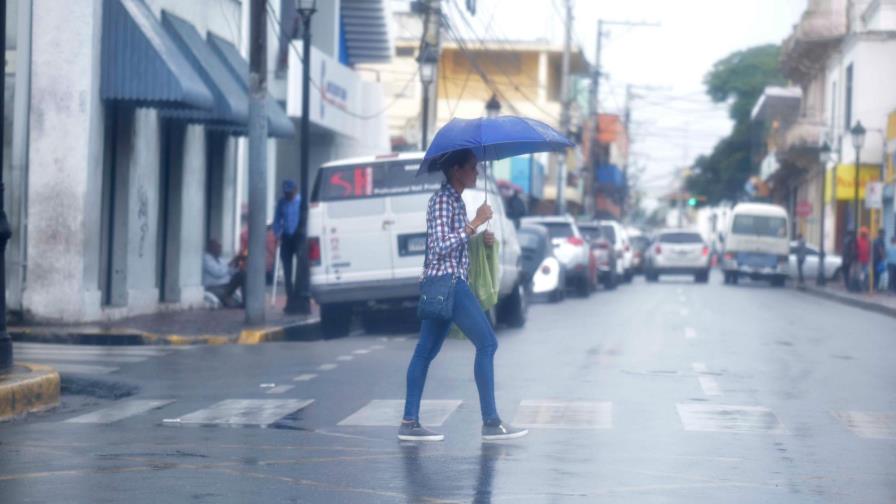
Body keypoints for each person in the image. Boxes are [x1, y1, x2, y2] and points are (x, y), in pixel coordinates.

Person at [399, 148, 528, 442]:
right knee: (487, 343)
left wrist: (480, 238)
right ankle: (491, 421)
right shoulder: (443, 201)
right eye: (473, 167)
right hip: (449, 283)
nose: (477, 172)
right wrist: (474, 223)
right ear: (457, 170)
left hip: (444, 282)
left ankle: (409, 421)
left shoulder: (454, 201)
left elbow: (454, 243)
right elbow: (440, 246)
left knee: (425, 351)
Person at [273, 180, 302, 311]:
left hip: (298, 236)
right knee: (287, 269)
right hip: (286, 236)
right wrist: (277, 232)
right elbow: (277, 219)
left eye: (289, 192)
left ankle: (300, 297)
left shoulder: (301, 201)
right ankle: (290, 299)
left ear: (295, 190)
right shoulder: (281, 202)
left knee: (301, 268)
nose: (287, 195)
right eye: (285, 192)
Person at [202, 239, 244, 308]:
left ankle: (244, 302)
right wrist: (229, 264)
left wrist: (236, 264)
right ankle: (231, 304)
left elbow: (230, 272)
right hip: (213, 287)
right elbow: (218, 273)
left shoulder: (221, 259)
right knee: (227, 298)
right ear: (210, 248)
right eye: (217, 247)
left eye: (220, 247)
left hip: (226, 285)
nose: (219, 249)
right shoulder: (206, 259)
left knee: (241, 275)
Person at [855, 227, 871, 292]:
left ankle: (865, 287)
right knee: (861, 274)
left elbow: (869, 250)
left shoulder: (868, 241)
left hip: (866, 260)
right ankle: (861, 287)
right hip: (860, 260)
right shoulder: (858, 240)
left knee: (866, 274)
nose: (864, 234)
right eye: (863, 233)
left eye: (865, 233)